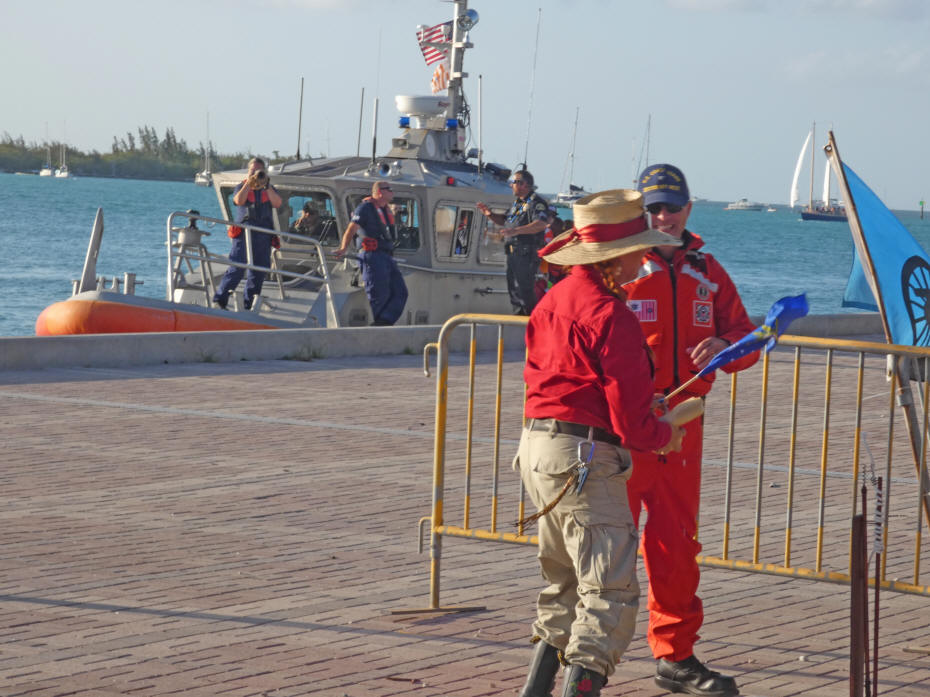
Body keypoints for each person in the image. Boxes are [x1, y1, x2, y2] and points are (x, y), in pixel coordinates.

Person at [516, 189, 685, 697]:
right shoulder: (613, 316)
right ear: (614, 257)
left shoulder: (552, 300)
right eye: (637, 249)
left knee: (564, 585)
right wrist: (665, 432)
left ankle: (537, 689)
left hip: (537, 448)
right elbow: (632, 423)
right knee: (608, 593)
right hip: (583, 458)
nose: (643, 258)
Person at [622, 164, 759, 697]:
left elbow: (748, 336)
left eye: (672, 206)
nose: (663, 216)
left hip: (684, 429)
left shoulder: (708, 269)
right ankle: (585, 652)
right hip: (627, 427)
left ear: (688, 208)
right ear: (640, 210)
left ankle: (675, 655)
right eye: (654, 207)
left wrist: (727, 347)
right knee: (606, 543)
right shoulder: (623, 268)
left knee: (676, 545)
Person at [334, 181, 409, 325]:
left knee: (400, 291)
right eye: (389, 189)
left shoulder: (384, 209)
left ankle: (384, 322)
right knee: (379, 295)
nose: (392, 192)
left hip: (386, 257)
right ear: (380, 192)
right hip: (372, 257)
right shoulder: (365, 208)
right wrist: (343, 248)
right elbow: (351, 229)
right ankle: (380, 328)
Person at [477, 169, 549, 315]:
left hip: (526, 252)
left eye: (514, 182)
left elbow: (541, 224)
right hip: (513, 252)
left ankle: (531, 320)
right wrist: (489, 214)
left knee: (524, 289)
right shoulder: (518, 204)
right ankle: (519, 318)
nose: (511, 185)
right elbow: (505, 221)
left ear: (524, 184)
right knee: (514, 290)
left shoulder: (536, 203)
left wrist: (516, 231)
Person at [213, 157, 282, 310]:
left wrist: (267, 185)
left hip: (263, 234)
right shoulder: (241, 186)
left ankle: (249, 304)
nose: (256, 174)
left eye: (259, 171)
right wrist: (249, 184)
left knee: (259, 269)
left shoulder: (270, 189)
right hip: (244, 233)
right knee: (237, 266)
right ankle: (220, 300)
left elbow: (277, 203)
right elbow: (238, 201)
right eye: (253, 171)